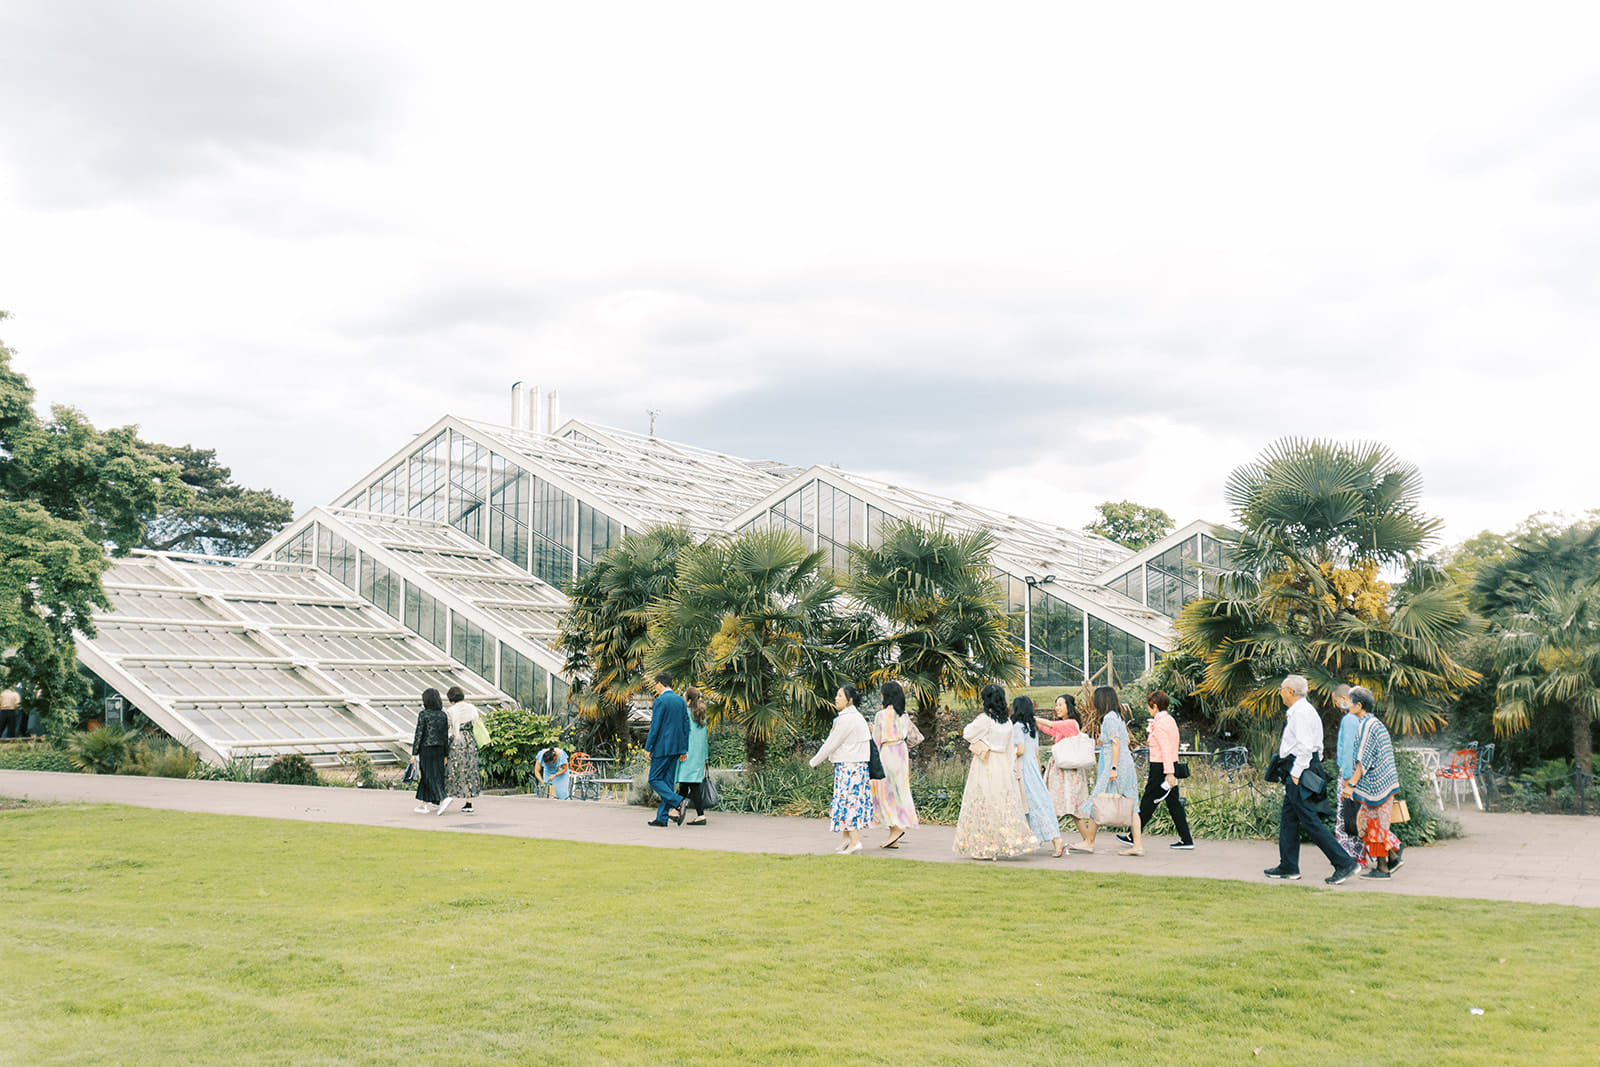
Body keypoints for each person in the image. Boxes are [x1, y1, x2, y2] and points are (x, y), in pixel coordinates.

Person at [1264, 674, 1358, 884]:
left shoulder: (1301, 713)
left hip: (1300, 768)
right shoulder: (1304, 711)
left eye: (1282, 689)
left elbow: (1306, 747)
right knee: (1289, 818)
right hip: (1303, 766)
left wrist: (1296, 773)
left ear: (1289, 691)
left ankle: (1343, 862)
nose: (1280, 693)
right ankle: (1288, 865)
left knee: (1309, 819)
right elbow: (1318, 747)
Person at [952, 684, 1037, 860]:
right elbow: (1009, 748)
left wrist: (981, 738)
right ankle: (1003, 843)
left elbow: (967, 733)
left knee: (983, 802)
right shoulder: (1007, 722)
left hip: (986, 762)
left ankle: (984, 845)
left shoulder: (985, 719)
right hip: (1002, 764)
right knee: (1000, 803)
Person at [1344, 686, 1405, 879]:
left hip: (1377, 787)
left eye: (1350, 702)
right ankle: (1393, 856)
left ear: (1359, 705)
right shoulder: (1373, 723)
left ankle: (1383, 868)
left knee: (1375, 825)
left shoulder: (1367, 725)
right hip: (1381, 784)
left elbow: (1364, 758)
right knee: (1365, 823)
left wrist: (1351, 784)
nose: (1347, 705)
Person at [1074, 686, 1142, 855]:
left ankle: (1089, 842)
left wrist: (1112, 767)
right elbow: (1123, 741)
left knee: (1096, 800)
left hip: (1115, 764)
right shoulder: (1117, 717)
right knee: (1131, 804)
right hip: (1125, 763)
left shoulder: (1109, 719)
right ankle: (1138, 845)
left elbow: (1116, 744)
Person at [809, 683, 874, 853]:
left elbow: (831, 743)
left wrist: (814, 761)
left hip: (849, 767)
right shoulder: (856, 717)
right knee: (847, 801)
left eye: (840, 696)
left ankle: (855, 841)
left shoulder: (847, 719)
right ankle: (847, 839)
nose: (836, 699)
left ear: (849, 700)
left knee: (848, 802)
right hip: (855, 766)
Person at [1135, 690, 1194, 850]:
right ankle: (1186, 839)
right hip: (1168, 764)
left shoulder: (1160, 724)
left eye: (1149, 706)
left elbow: (1165, 749)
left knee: (1148, 800)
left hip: (1160, 766)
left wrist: (1169, 773)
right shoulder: (1169, 720)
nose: (1148, 709)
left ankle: (1133, 834)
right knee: (1173, 804)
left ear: (1154, 706)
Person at [1012, 696, 1065, 857]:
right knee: (1040, 802)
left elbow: (1020, 750)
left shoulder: (1018, 726)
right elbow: (1035, 753)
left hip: (1023, 769)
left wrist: (1007, 753)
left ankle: (1055, 839)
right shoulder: (1032, 727)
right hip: (1033, 768)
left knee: (1030, 805)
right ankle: (1032, 839)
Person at [870, 681, 918, 848]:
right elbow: (912, 736)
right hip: (902, 754)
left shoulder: (881, 715)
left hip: (888, 753)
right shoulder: (903, 715)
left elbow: (876, 740)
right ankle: (894, 837)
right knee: (899, 792)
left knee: (885, 794)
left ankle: (896, 828)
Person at [1038, 695, 1094, 834]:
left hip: (1068, 771)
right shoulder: (1064, 725)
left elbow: (1051, 725)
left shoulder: (1070, 723)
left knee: (1070, 808)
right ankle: (1086, 840)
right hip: (1064, 770)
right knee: (1070, 808)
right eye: (1056, 705)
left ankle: (1082, 840)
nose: (1057, 708)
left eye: (1060, 704)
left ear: (1069, 706)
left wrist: (1031, 717)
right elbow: (1048, 729)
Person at [644, 672, 691, 827]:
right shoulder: (680, 701)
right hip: (676, 748)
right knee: (668, 782)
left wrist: (648, 747)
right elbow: (686, 726)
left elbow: (655, 727)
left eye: (655, 685)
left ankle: (679, 801)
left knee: (654, 779)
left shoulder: (660, 701)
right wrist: (684, 748)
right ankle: (662, 818)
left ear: (659, 684)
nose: (655, 688)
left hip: (662, 747)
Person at [442, 686, 482, 816]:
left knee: (453, 768)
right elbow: (476, 722)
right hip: (470, 740)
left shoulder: (451, 710)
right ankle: (469, 802)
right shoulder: (472, 708)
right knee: (470, 769)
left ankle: (447, 796)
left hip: (457, 741)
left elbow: (448, 726)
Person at [410, 688, 450, 814]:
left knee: (428, 775)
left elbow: (419, 734)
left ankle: (444, 798)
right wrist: (446, 754)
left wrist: (414, 753)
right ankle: (424, 804)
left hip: (426, 749)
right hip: (439, 749)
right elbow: (445, 736)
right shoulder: (443, 715)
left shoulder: (424, 714)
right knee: (433, 775)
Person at [1332, 684, 1361, 856]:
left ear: (1344, 699)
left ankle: (1347, 854)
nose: (1337, 705)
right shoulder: (1359, 718)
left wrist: (1347, 779)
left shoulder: (1349, 719)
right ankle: (1357, 853)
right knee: (1355, 813)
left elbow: (1349, 749)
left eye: (1337, 701)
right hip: (1355, 772)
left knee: (1346, 814)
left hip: (1348, 773)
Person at [676, 687, 710, 826]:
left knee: (689, 784)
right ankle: (678, 810)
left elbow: (683, 734)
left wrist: (681, 750)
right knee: (688, 784)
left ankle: (697, 814)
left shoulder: (686, 715)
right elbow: (705, 740)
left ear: (689, 701)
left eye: (684, 698)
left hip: (687, 755)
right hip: (699, 756)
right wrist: (706, 757)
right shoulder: (701, 717)